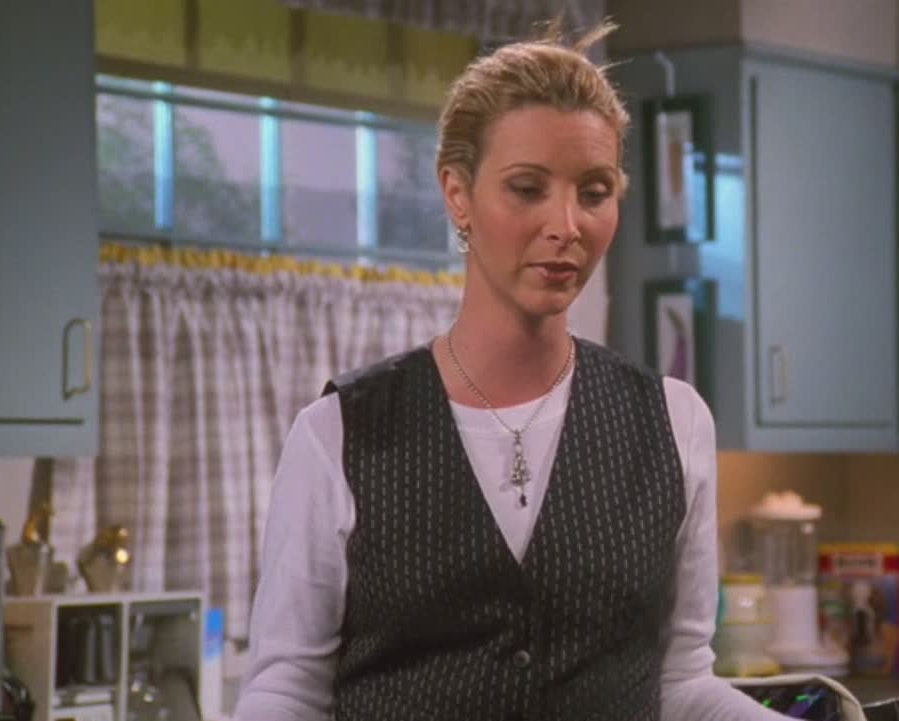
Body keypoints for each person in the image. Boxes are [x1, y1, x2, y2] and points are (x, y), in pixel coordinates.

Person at [233, 19, 865, 721]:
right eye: (528, 188)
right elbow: (286, 691)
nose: (567, 224)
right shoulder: (340, 433)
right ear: (457, 194)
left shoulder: (673, 423)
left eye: (594, 192)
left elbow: (682, 682)